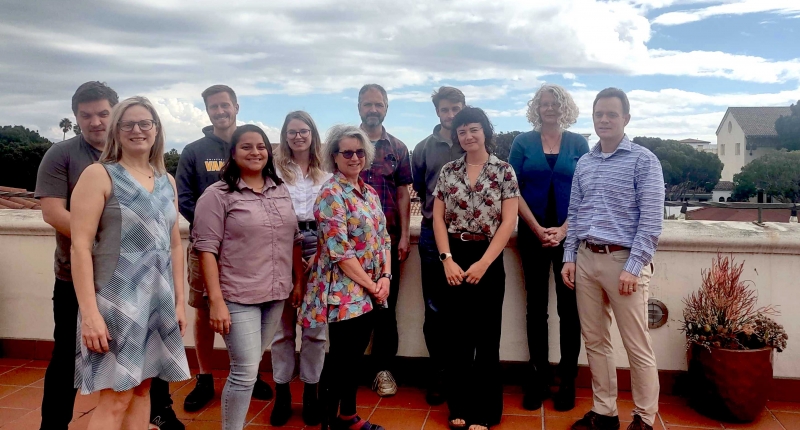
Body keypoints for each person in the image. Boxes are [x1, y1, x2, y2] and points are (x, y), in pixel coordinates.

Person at [35, 82, 184, 430]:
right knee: (115, 397)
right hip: (117, 298)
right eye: (127, 124)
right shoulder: (97, 173)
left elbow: (174, 243)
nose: (136, 130)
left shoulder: (167, 180)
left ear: (157, 128)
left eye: (145, 123)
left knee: (145, 388)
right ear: (118, 129)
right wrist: (90, 315)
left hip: (157, 298)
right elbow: (81, 246)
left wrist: (178, 302)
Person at [561, 88, 665, 430]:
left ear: (626, 119)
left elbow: (651, 221)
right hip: (587, 259)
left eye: (611, 114)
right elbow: (575, 214)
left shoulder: (643, 160)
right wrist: (569, 257)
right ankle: (604, 412)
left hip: (624, 263)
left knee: (636, 345)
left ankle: (644, 418)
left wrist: (633, 266)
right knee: (595, 341)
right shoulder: (585, 164)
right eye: (599, 114)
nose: (604, 120)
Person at [192, 124, 305, 430]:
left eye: (261, 146)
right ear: (232, 153)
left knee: (252, 364)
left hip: (275, 292)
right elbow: (206, 250)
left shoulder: (280, 189)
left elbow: (292, 239)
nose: (255, 152)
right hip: (236, 295)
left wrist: (298, 280)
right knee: (244, 371)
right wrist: (215, 301)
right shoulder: (216, 196)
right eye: (246, 147)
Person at [176, 85, 274, 412]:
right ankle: (205, 376)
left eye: (225, 105)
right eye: (213, 107)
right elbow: (184, 197)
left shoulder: (251, 144)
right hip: (206, 249)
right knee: (205, 311)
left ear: (236, 106)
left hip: (248, 251)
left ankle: (249, 372)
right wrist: (215, 229)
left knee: (255, 307)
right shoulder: (194, 151)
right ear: (207, 111)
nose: (220, 111)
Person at [433, 107, 519, 430]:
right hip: (454, 254)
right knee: (457, 336)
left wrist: (484, 263)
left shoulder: (504, 171)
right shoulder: (448, 171)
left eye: (474, 130)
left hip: (488, 255)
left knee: (486, 336)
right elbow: (438, 218)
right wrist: (447, 259)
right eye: (462, 132)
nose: (468, 136)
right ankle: (459, 405)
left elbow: (508, 221)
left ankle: (486, 410)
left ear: (485, 131)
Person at [300, 125, 391, 430]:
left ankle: (348, 416)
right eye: (347, 152)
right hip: (344, 292)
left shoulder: (370, 192)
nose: (354, 157)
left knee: (353, 360)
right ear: (334, 157)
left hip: (371, 289)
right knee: (341, 361)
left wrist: (386, 279)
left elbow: (384, 238)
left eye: (360, 151)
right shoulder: (330, 193)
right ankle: (328, 422)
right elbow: (340, 251)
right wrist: (372, 286)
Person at [508, 84, 589, 412]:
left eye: (555, 103)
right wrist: (538, 228)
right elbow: (511, 189)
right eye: (544, 103)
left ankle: (567, 379)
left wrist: (565, 229)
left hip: (571, 237)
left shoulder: (579, 143)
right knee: (536, 308)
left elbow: (588, 190)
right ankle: (538, 376)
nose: (549, 108)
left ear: (564, 107)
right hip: (531, 234)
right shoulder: (522, 143)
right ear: (536, 108)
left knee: (569, 310)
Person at [269, 111, 332, 426]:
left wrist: (319, 253)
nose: (298, 136)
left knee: (315, 329)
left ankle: (311, 393)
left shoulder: (327, 170)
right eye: (292, 131)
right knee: (282, 329)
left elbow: (333, 215)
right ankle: (281, 394)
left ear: (312, 134)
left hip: (320, 246)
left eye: (303, 130)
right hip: (281, 246)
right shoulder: (274, 170)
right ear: (285, 135)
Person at [411, 86, 466, 406]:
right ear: (437, 112)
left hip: (468, 237)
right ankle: (439, 374)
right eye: (445, 109)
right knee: (435, 310)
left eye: (455, 108)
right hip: (433, 235)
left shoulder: (473, 143)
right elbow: (420, 188)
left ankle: (463, 374)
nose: (450, 114)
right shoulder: (423, 148)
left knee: (466, 310)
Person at [357, 83, 412, 397]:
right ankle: (347, 368)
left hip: (387, 245)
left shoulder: (398, 148)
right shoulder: (346, 145)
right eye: (367, 104)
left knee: (385, 307)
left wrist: (405, 235)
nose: (373, 109)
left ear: (386, 108)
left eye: (378, 104)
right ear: (359, 107)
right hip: (349, 245)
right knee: (349, 308)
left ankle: (383, 370)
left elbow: (404, 193)